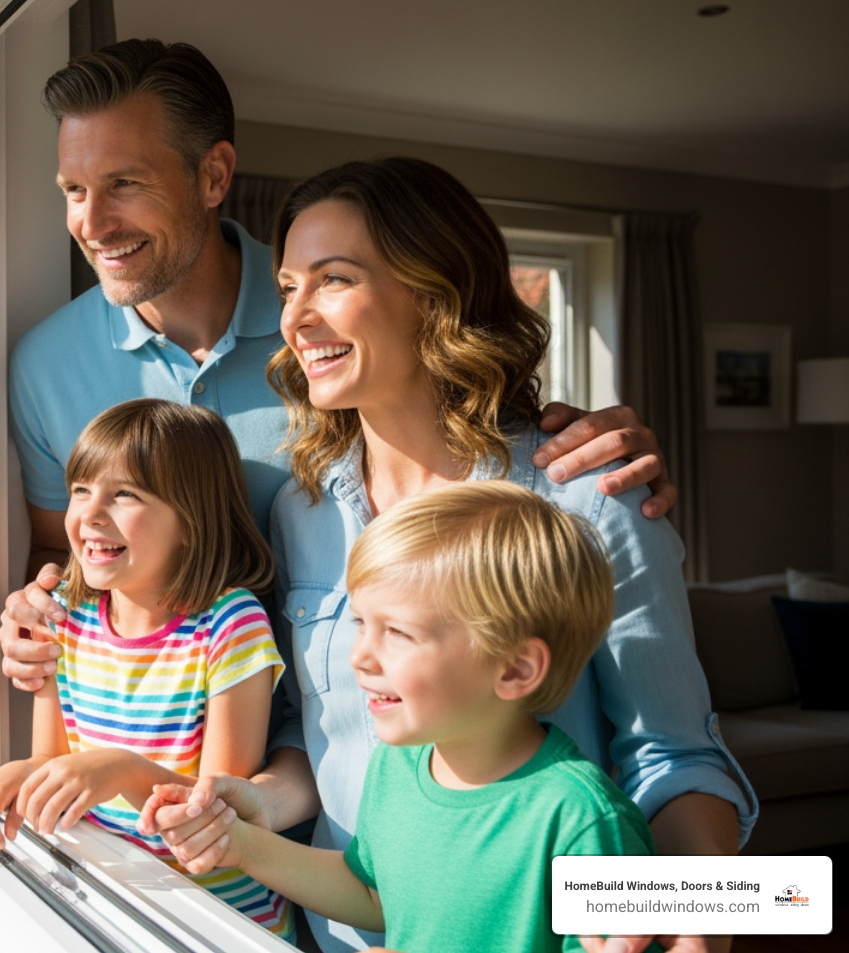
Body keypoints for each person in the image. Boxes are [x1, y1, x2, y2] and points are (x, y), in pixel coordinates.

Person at [133, 159, 754, 953]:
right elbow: (314, 729)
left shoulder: (587, 495)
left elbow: (672, 752)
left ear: (436, 291)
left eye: (334, 279)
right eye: (289, 286)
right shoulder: (301, 508)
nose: (297, 318)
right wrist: (256, 807)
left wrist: (695, 915)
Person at [1, 38, 678, 690]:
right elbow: (60, 555)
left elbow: (471, 440)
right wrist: (36, 614)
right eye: (74, 190)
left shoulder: (337, 341)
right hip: (168, 769)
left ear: (213, 175)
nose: (91, 223)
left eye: (123, 183)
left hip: (349, 742)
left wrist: (587, 457)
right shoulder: (44, 364)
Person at [154, 480, 656, 953]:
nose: (359, 657)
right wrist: (240, 845)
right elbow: (373, 896)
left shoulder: (583, 820)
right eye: (360, 624)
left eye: (397, 632)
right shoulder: (399, 766)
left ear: (516, 668)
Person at [0, 399, 292, 939]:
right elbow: (52, 760)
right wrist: (19, 775)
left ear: (191, 520)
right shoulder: (63, 613)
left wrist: (121, 770)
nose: (90, 514)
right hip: (105, 895)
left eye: (125, 494)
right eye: (81, 490)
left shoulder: (232, 624)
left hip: (215, 918)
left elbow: (213, 809)